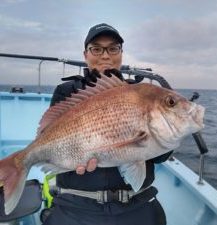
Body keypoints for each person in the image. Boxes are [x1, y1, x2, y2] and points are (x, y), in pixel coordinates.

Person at [43, 23, 170, 225]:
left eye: (113, 48)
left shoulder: (142, 95)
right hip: (77, 205)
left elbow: (161, 156)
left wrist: (171, 131)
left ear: (121, 53)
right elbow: (49, 137)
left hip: (137, 203)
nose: (105, 55)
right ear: (86, 54)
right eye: (96, 48)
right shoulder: (66, 92)